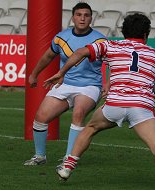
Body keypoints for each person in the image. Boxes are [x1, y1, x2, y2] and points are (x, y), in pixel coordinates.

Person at [44, 13, 155, 190]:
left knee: (90, 129)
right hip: (141, 106)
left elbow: (81, 52)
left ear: (123, 32)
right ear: (146, 34)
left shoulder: (111, 46)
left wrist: (62, 72)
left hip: (114, 104)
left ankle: (67, 167)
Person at [24, 2, 107, 166]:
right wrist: (34, 74)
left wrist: (108, 83)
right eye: (79, 15)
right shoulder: (61, 37)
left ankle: (69, 159)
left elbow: (111, 62)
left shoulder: (100, 39)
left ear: (91, 18)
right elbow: (48, 56)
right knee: (41, 117)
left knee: (78, 113)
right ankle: (39, 157)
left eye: (86, 15)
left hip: (89, 86)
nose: (82, 18)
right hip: (66, 83)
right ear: (73, 17)